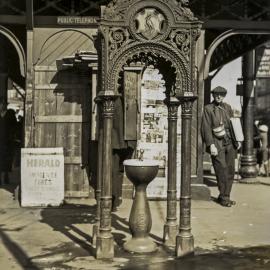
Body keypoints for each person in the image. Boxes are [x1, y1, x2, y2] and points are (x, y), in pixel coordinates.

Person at [201, 86, 240, 207]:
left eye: (222, 95)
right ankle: (224, 197)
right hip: (217, 143)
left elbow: (233, 124)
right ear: (213, 95)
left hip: (230, 142)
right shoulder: (208, 109)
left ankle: (224, 195)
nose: (219, 96)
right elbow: (206, 128)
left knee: (230, 170)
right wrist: (210, 144)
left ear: (224, 96)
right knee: (221, 169)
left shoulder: (227, 107)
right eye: (217, 94)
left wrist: (237, 139)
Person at [0, 97, 17, 185]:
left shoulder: (10, 113)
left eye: (2, 104)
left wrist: (12, 135)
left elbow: (15, 126)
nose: (1, 106)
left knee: (7, 159)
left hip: (8, 141)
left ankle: (6, 176)